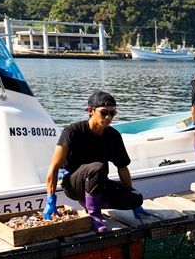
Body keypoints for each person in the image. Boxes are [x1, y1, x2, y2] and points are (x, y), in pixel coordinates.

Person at [43, 91, 145, 232]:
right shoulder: (72, 132)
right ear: (91, 111)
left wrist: (133, 199)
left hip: (98, 184)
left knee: (136, 198)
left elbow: (122, 168)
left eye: (112, 113)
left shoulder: (113, 135)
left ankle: (90, 202)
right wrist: (50, 199)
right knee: (97, 167)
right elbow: (54, 167)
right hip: (73, 185)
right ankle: (94, 215)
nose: (108, 117)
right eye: (104, 113)